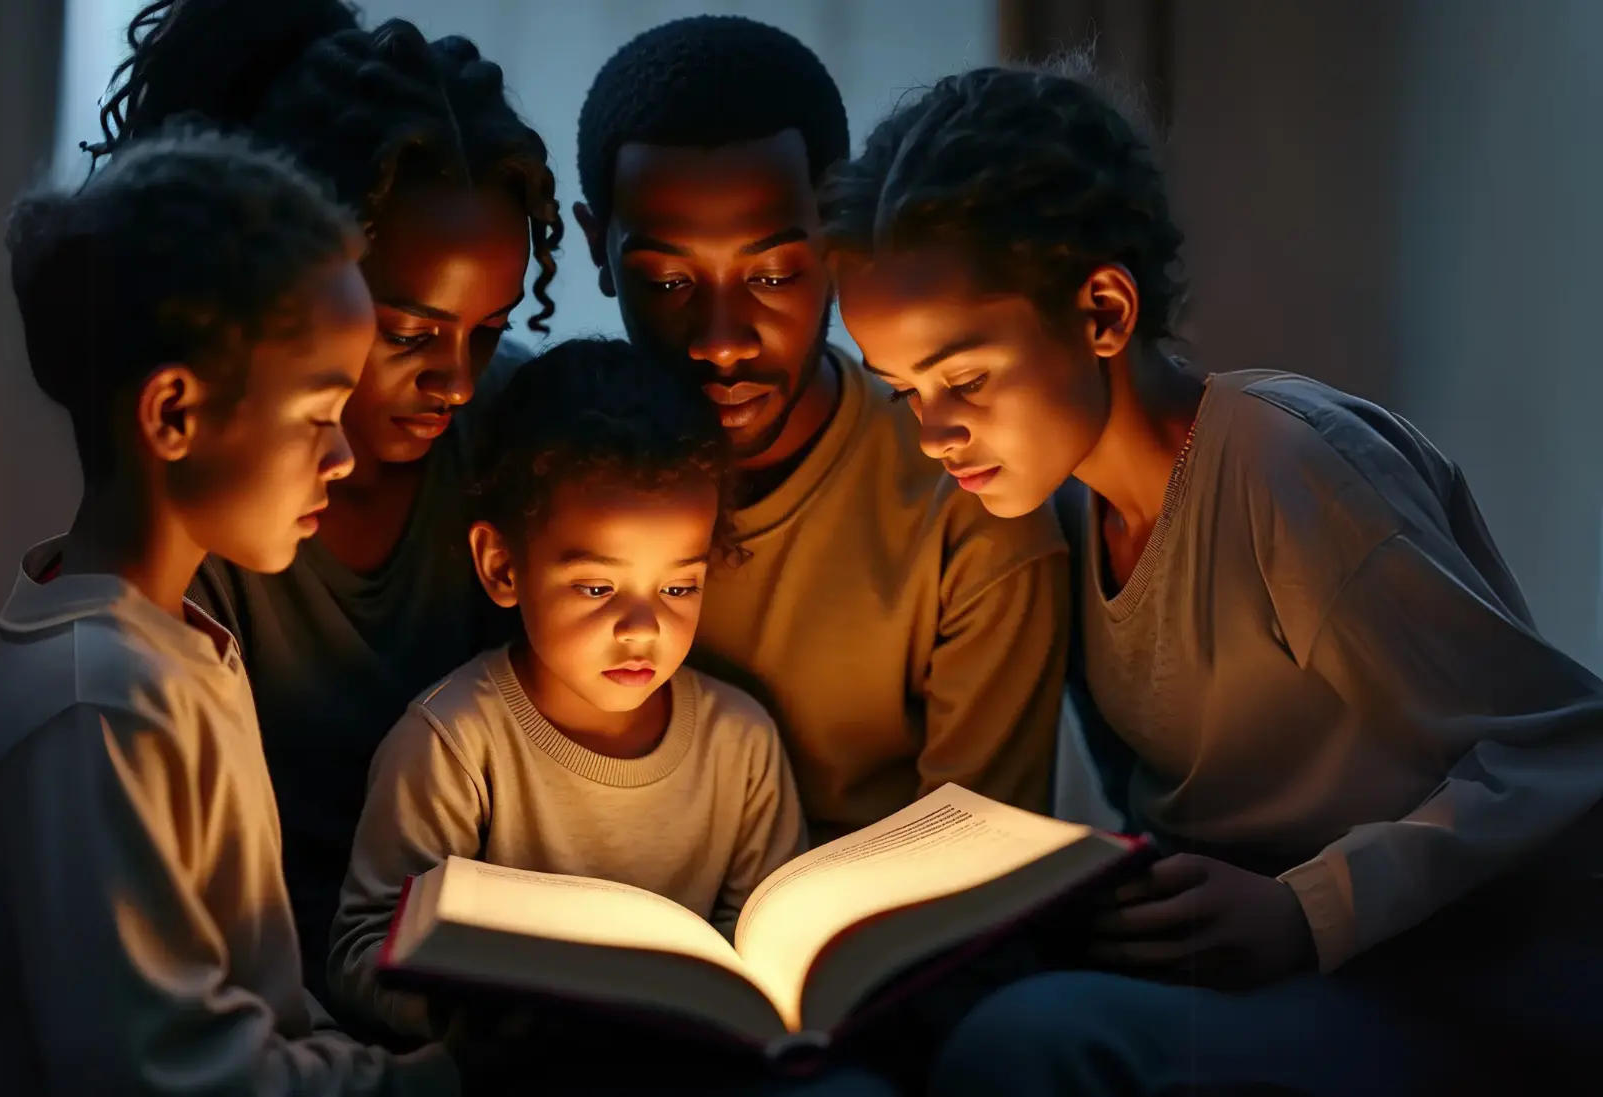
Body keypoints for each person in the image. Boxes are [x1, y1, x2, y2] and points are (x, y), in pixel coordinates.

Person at [823, 55, 1603, 1096]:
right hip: (1262, 960)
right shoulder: (1059, 503)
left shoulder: (1291, 470)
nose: (932, 432)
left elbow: (1562, 748)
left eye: (963, 377)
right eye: (903, 388)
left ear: (1102, 310)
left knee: (1032, 1043)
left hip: (1455, 968)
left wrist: (1305, 908)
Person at [0, 132, 458, 1095]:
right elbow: (166, 1068)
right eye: (318, 415)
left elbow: (250, 991)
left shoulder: (174, 644)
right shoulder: (100, 702)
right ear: (174, 415)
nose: (345, 457)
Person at [94, 1, 566, 993]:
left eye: (488, 329)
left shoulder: (519, 433)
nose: (458, 380)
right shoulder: (211, 497)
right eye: (409, 330)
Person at [572, 16, 1071, 848]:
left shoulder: (965, 501)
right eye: (665, 280)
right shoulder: (544, 466)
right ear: (598, 247)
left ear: (837, 239)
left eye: (770, 275)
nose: (722, 337)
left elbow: (983, 860)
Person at [326, 338, 807, 1048]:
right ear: (502, 565)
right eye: (596, 587)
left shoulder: (742, 743)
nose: (642, 627)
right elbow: (360, 952)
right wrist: (483, 1022)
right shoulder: (455, 743)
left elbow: (769, 939)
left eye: (678, 586)